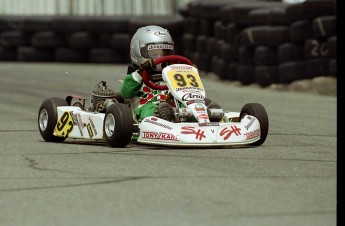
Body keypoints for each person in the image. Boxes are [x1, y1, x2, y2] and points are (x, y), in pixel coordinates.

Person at [120, 25, 175, 122]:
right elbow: (125, 93)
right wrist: (141, 72)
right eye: (154, 54)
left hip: (172, 107)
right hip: (144, 109)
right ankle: (158, 115)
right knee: (149, 108)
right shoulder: (135, 76)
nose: (160, 58)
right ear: (137, 51)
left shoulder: (171, 73)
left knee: (187, 104)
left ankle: (204, 113)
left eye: (164, 54)